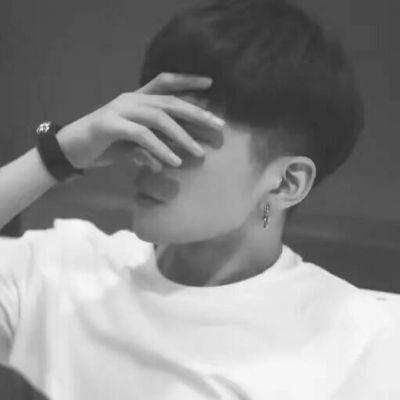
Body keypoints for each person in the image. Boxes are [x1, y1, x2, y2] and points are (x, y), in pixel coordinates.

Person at [1, 0, 399, 399]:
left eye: (182, 137)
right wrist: (59, 153)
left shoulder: (359, 338)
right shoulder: (60, 268)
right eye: (148, 127)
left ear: (285, 183)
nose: (145, 155)